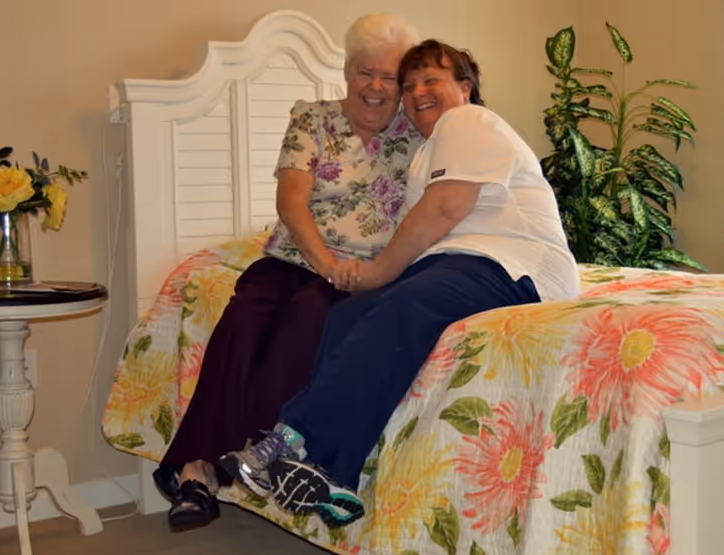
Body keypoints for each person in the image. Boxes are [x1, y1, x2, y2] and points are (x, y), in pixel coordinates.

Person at [219, 39, 581, 529]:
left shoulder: (469, 120)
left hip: (515, 264)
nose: (416, 93)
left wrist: (376, 274)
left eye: (432, 79)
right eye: (408, 86)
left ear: (466, 88)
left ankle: (289, 439)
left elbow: (445, 209)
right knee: (346, 314)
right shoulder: (426, 154)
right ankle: (333, 475)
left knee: (406, 305)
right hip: (459, 265)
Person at [155, 13, 423, 532]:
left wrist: (355, 274)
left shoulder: (415, 134)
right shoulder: (313, 118)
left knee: (307, 322)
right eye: (366, 72)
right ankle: (197, 470)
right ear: (347, 71)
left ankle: (254, 457)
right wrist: (322, 262)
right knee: (242, 319)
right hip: (295, 259)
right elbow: (291, 198)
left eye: (389, 76)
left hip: (361, 275)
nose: (375, 86)